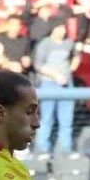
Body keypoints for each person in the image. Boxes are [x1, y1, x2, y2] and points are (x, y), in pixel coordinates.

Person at [32, 22, 78, 154]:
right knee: (46, 118)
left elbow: (76, 57)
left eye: (64, 28)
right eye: (60, 27)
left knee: (66, 119)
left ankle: (65, 149)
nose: (63, 31)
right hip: (49, 83)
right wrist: (55, 75)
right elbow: (38, 65)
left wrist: (70, 70)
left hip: (66, 84)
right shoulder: (45, 44)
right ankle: (42, 149)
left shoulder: (69, 43)